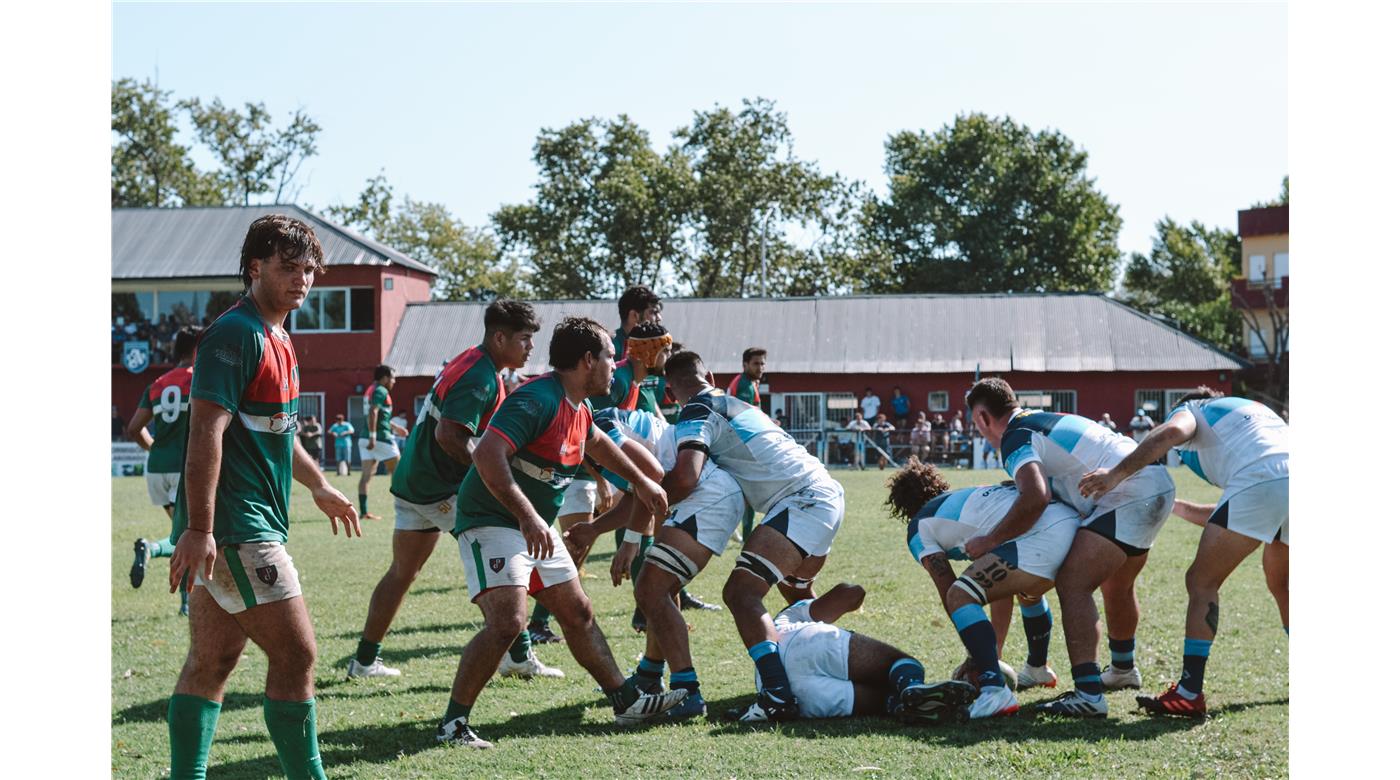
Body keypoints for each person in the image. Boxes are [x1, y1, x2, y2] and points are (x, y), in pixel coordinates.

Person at [165, 214, 360, 780]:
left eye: (309, 270)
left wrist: (319, 483)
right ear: (254, 268)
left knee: (213, 661)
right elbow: (207, 431)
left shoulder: (279, 336)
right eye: (287, 267)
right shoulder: (235, 334)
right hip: (237, 527)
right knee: (297, 655)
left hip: (241, 526)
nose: (302, 280)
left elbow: (278, 430)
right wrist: (200, 527)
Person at [437, 317, 687, 749]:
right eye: (611, 355)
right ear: (588, 360)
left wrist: (643, 481)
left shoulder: (578, 405)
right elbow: (489, 455)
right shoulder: (536, 399)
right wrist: (530, 517)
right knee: (508, 623)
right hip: (493, 520)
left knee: (578, 613)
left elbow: (597, 443)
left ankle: (626, 700)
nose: (616, 363)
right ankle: (452, 725)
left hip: (530, 523)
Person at [348, 300, 557, 681]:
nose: (531, 348)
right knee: (505, 553)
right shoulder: (480, 376)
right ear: (499, 337)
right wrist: (486, 476)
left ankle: (364, 661)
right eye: (525, 339)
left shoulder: (473, 360)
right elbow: (450, 435)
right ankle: (519, 654)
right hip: (439, 488)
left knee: (402, 572)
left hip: (415, 481)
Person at [966, 378, 1175, 718]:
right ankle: (1122, 669)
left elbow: (1035, 497)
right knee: (1118, 585)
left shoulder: (1014, 436)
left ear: (981, 417)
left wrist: (991, 540)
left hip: (1128, 492)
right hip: (1156, 482)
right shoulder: (1040, 418)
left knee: (1073, 583)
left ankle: (1088, 694)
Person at [1078, 388, 1288, 717]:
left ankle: (1189, 692)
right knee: (1284, 586)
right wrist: (1173, 506)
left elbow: (1175, 431)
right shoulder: (1253, 410)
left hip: (1261, 480)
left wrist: (1116, 474)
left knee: (1201, 581)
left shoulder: (1194, 407)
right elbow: (1234, 515)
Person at [663, 350, 847, 722]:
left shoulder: (695, 411)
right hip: (824, 490)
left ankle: (778, 695)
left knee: (741, 594)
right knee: (797, 599)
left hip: (801, 500)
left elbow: (686, 477)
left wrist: (646, 502)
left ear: (669, 393)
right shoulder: (735, 402)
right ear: (711, 375)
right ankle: (840, 667)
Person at [567, 406, 748, 720]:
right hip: (696, 496)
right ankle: (650, 675)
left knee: (652, 590)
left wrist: (630, 541)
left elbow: (651, 479)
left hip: (706, 496)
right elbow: (643, 492)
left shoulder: (600, 424)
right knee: (657, 589)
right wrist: (595, 528)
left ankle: (687, 692)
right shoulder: (589, 428)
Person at [886, 461, 1080, 718]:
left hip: (1044, 537)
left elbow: (949, 593)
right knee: (1025, 589)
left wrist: (978, 657)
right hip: (1074, 529)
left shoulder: (919, 526)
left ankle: (993, 689)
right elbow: (1000, 591)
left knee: (959, 594)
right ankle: (1037, 668)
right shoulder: (969, 494)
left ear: (903, 508)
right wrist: (993, 652)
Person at [758, 582, 977, 721]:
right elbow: (853, 593)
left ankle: (905, 705)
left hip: (784, 690)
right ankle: (912, 686)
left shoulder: (765, 642)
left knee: (884, 700)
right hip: (803, 641)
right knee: (902, 663)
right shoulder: (792, 612)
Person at [127, 325, 201, 617]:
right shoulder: (201, 380)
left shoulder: (158, 383)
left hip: (157, 468)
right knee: (191, 536)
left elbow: (134, 428)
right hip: (188, 469)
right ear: (198, 349)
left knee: (182, 533)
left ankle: (153, 550)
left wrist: (155, 449)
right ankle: (186, 599)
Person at [358, 365, 400, 521]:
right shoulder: (381, 390)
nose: (394, 381)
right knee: (399, 472)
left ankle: (363, 512)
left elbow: (381, 415)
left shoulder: (370, 389)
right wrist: (373, 436)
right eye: (393, 378)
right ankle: (402, 510)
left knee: (366, 476)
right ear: (385, 378)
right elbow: (373, 411)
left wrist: (396, 427)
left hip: (364, 437)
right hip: (380, 437)